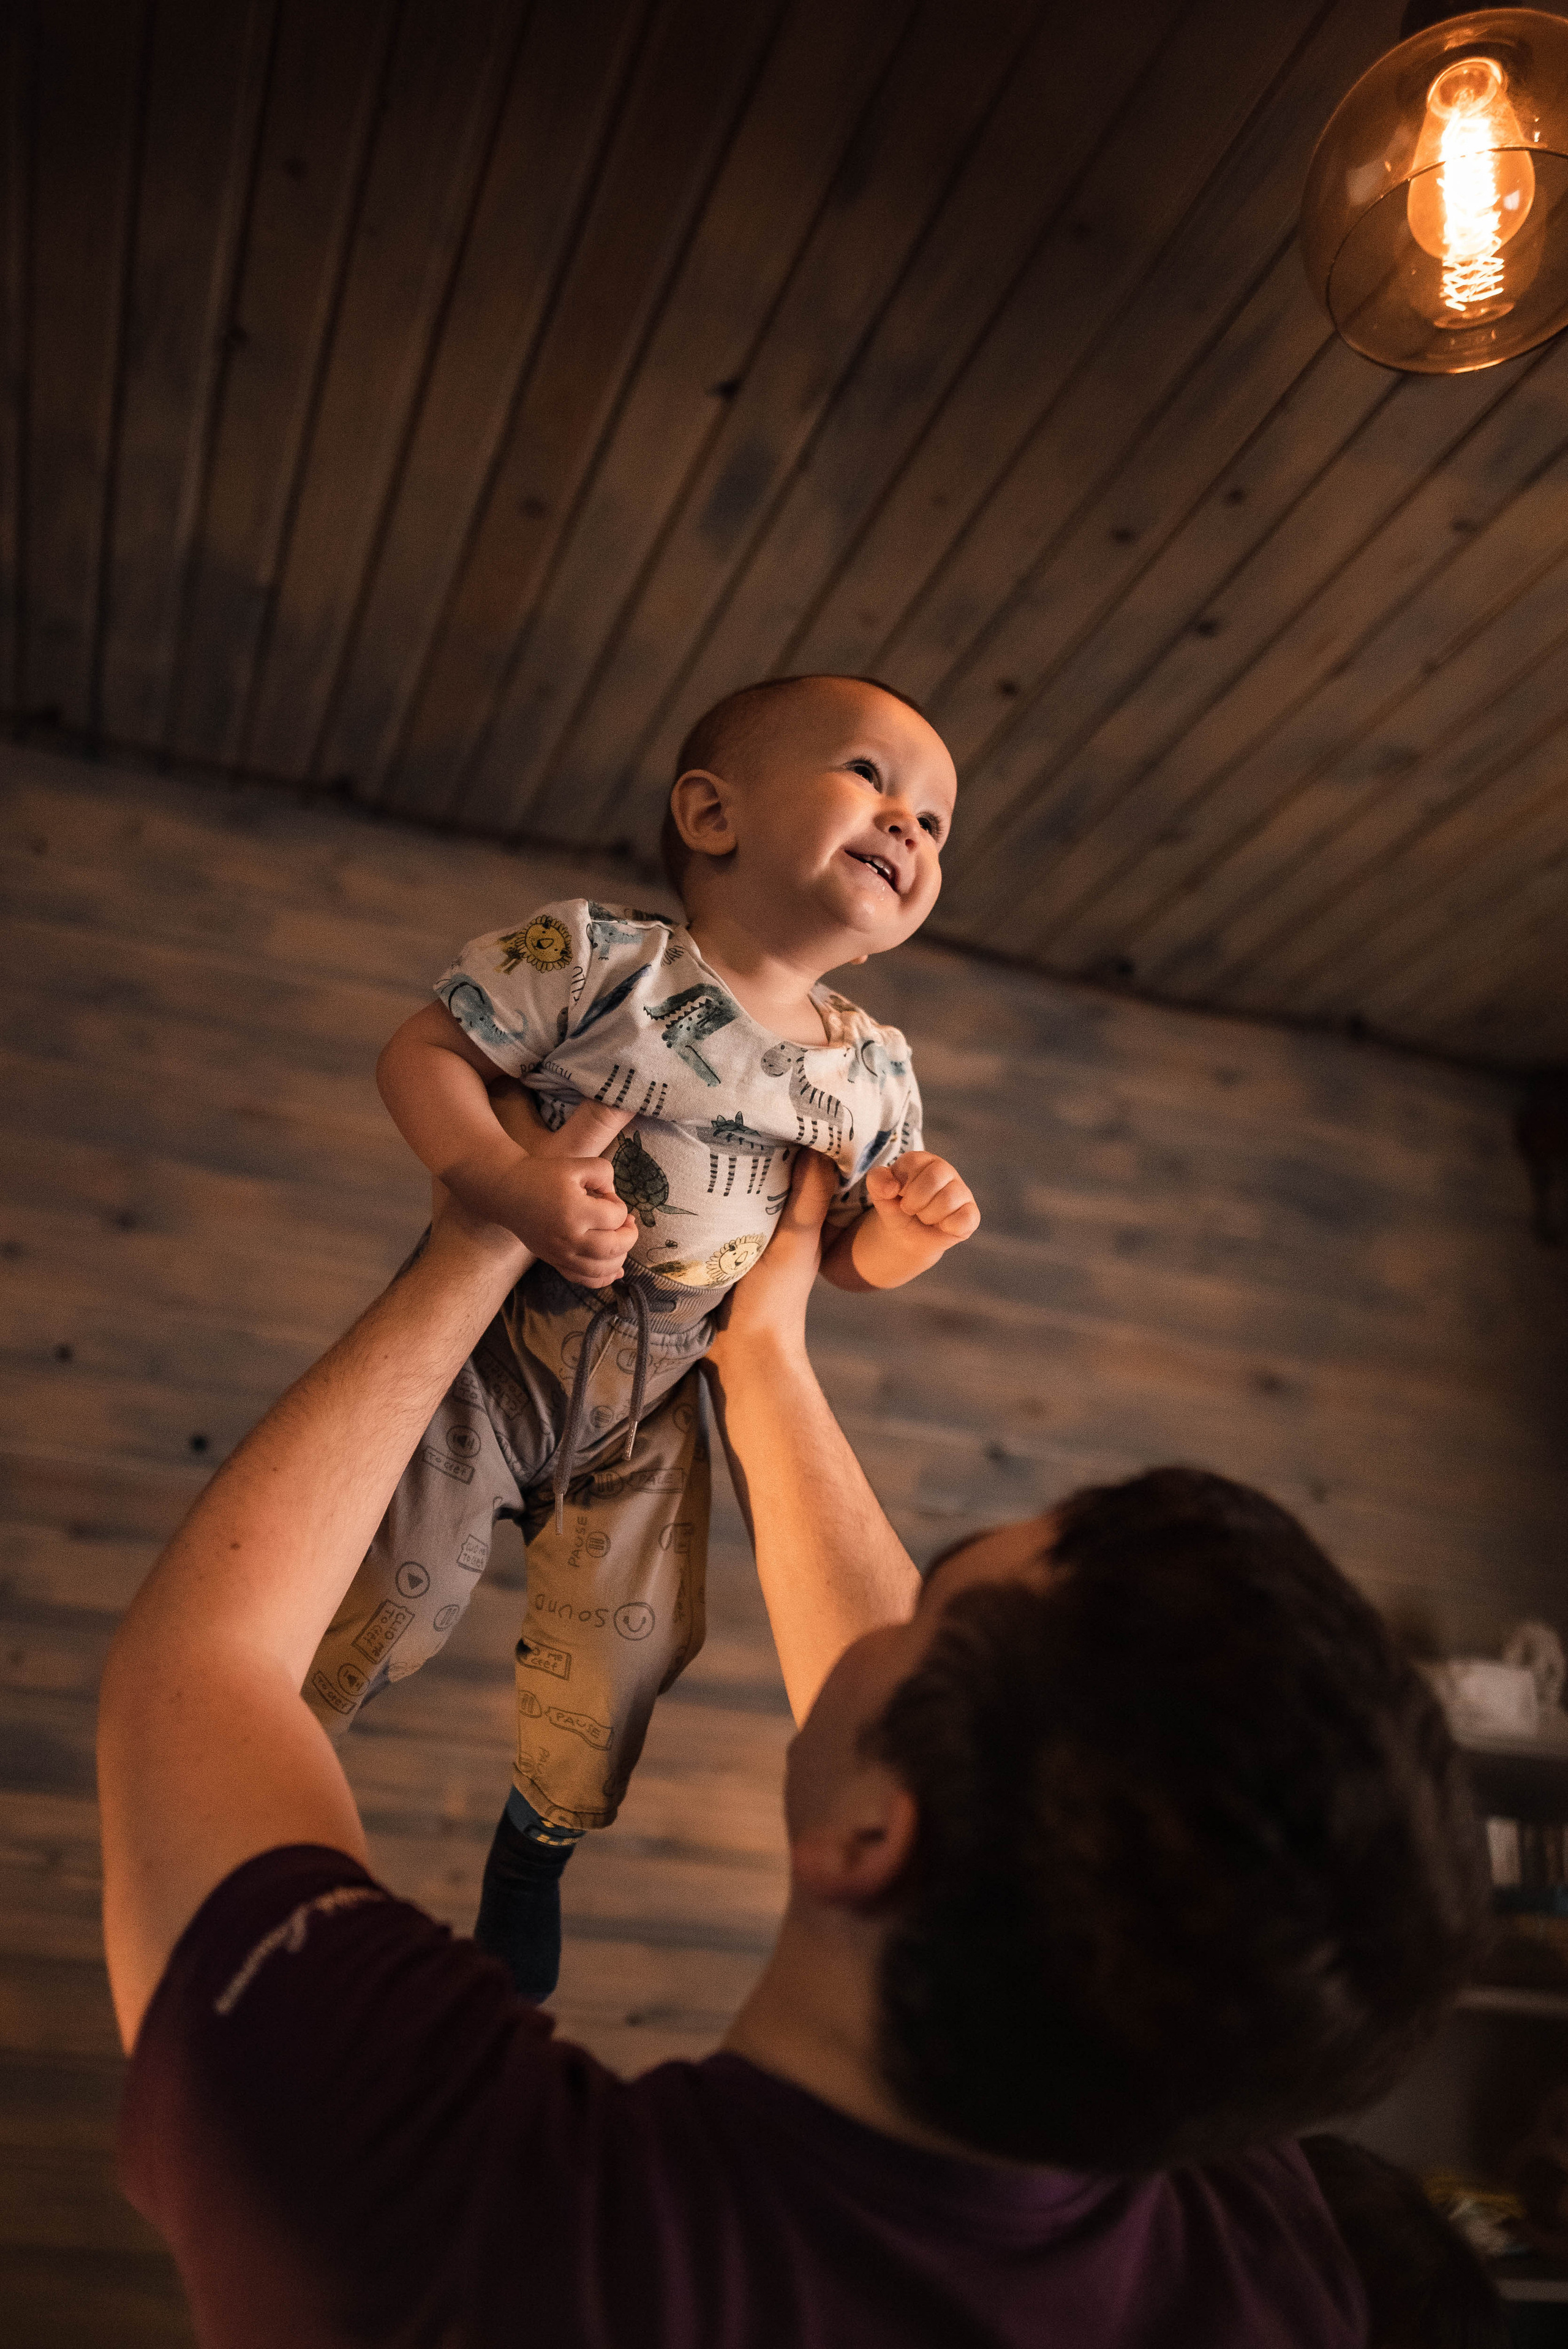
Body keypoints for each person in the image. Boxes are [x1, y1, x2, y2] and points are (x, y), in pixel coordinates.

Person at [100, 1149, 1493, 2349]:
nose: (884, 1615)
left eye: (930, 1602)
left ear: (876, 1841)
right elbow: (939, 1758)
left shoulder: (471, 2219)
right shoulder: (1269, 2253)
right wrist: (761, 1352)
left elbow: (201, 1674)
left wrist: (478, 1236)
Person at [302, 673, 979, 1997]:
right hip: (493, 1359)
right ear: (711, 813)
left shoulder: (872, 1071)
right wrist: (498, 1183)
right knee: (379, 1592)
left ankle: (534, 1848)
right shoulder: (603, 959)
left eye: (939, 825)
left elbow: (833, 1263)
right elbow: (423, 1055)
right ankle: (276, 1784)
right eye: (871, 777)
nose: (910, 825)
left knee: (626, 1652)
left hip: (656, 1406)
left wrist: (910, 1231)